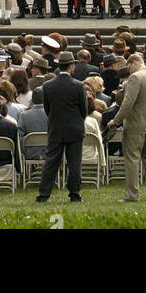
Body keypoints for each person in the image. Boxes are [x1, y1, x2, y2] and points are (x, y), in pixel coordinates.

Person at [107, 52, 146, 203]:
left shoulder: (135, 77)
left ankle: (132, 195)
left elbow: (128, 103)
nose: (129, 71)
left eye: (129, 67)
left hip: (134, 125)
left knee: (132, 160)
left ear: (133, 63)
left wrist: (116, 120)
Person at [36, 50, 87, 204]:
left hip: (55, 127)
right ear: (71, 66)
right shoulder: (78, 86)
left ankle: (43, 194)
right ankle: (74, 193)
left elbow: (47, 108)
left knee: (51, 161)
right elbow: (83, 110)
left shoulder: (47, 86)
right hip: (74, 128)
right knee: (74, 163)